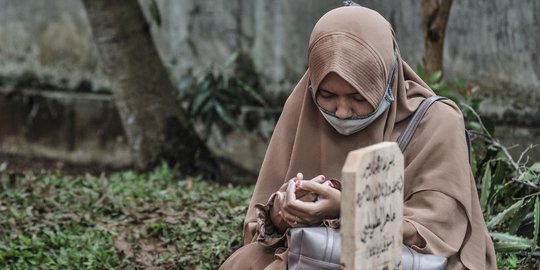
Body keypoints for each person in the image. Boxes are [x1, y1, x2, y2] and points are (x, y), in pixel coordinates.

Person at [220, 6, 496, 270]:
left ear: (387, 81)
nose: (341, 111)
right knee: (246, 261)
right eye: (327, 95)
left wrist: (348, 210)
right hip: (314, 255)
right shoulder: (303, 107)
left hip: (399, 259)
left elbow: (439, 233)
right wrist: (283, 212)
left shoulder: (437, 122)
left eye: (358, 97)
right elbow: (259, 230)